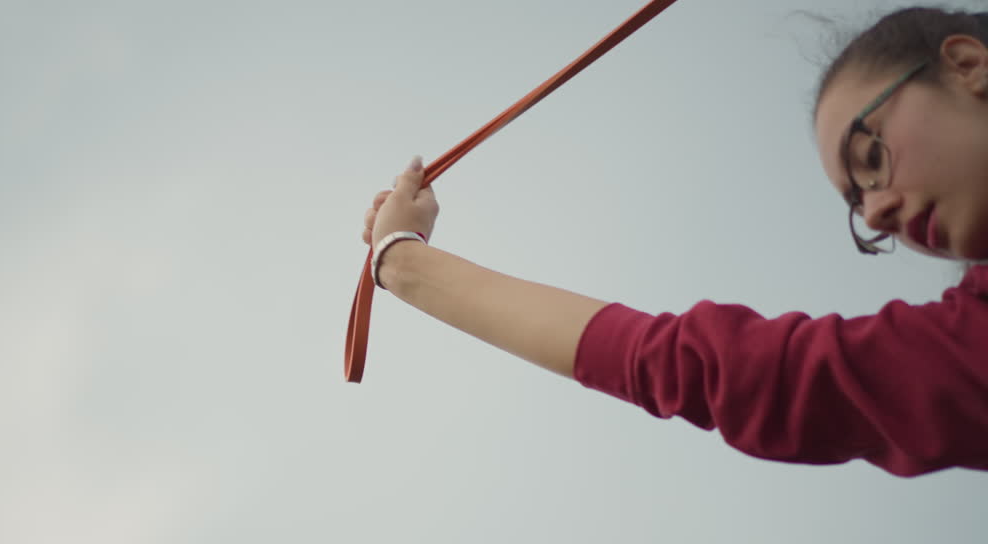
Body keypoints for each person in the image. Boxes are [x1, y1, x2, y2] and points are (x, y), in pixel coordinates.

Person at [360, 7, 988, 477]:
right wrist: (405, 260)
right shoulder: (967, 347)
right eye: (857, 207)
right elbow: (721, 370)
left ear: (965, 66)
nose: (876, 213)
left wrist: (405, 261)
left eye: (869, 157)